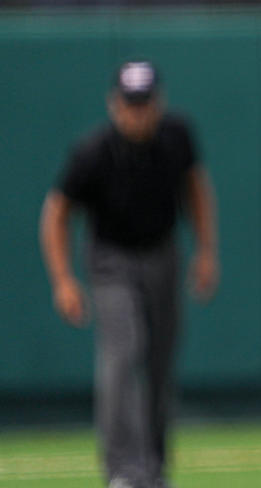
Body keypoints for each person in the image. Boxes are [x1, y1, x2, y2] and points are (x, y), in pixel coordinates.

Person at [39, 60, 220, 488]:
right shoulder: (92, 151)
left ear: (158, 102)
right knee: (123, 354)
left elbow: (196, 188)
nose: (138, 112)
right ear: (114, 104)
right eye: (130, 104)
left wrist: (206, 251)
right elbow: (56, 212)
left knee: (159, 360)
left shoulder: (176, 136)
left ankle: (153, 469)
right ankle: (122, 469)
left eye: (145, 103)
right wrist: (63, 279)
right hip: (110, 261)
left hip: (163, 254)